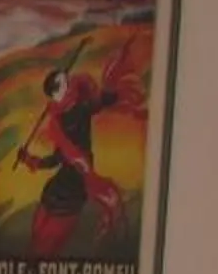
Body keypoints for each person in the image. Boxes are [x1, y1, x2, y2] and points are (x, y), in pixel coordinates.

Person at [13, 31, 143, 258]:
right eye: (65, 82)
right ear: (57, 93)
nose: (70, 80)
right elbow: (57, 158)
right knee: (37, 238)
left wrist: (111, 82)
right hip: (60, 184)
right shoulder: (60, 119)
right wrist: (29, 159)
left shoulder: (78, 109)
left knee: (46, 246)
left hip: (75, 186)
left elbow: (102, 101)